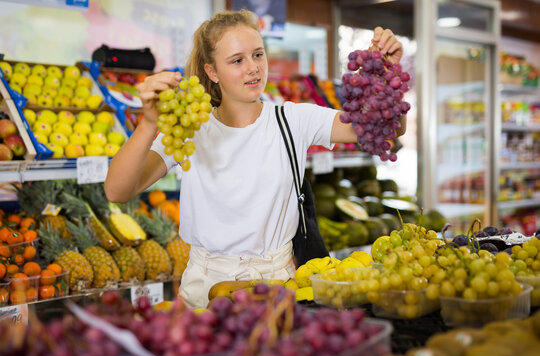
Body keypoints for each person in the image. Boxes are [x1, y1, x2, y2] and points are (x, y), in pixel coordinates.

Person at [104, 9, 405, 309]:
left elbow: (386, 128)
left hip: (278, 286)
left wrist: (389, 72)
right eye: (237, 60)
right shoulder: (190, 127)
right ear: (211, 71)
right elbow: (117, 190)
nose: (253, 68)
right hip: (205, 288)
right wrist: (148, 124)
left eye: (258, 55)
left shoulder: (294, 119)